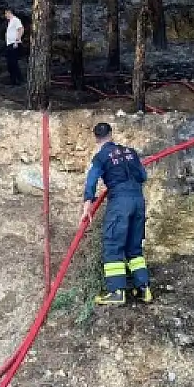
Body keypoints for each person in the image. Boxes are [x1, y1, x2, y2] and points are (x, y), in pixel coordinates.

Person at [81, 122, 152, 306]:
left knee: (113, 244)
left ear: (96, 138)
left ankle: (116, 292)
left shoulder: (101, 156)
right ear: (111, 134)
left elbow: (92, 178)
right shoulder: (130, 152)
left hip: (120, 202)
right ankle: (143, 288)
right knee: (134, 247)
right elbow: (143, 176)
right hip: (138, 200)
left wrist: (88, 202)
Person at [4, 9, 24, 86]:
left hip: (14, 44)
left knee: (13, 63)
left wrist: (17, 40)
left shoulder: (16, 20)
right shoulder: (10, 22)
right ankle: (14, 80)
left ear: (9, 13)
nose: (5, 15)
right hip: (9, 44)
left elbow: (21, 29)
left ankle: (18, 80)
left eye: (6, 13)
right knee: (10, 64)